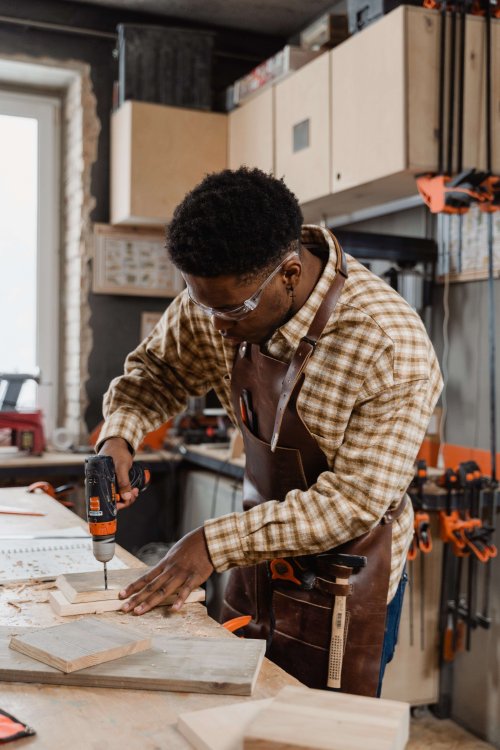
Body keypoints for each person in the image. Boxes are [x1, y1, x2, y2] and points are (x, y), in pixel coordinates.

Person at [97, 167, 442, 696]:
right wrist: (118, 435)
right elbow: (156, 372)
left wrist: (213, 543)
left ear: (287, 273)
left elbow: (353, 502)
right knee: (238, 709)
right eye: (199, 303)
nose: (213, 325)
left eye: (230, 309)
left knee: (318, 728)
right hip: (255, 556)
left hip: (347, 574)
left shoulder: (387, 345)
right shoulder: (216, 296)